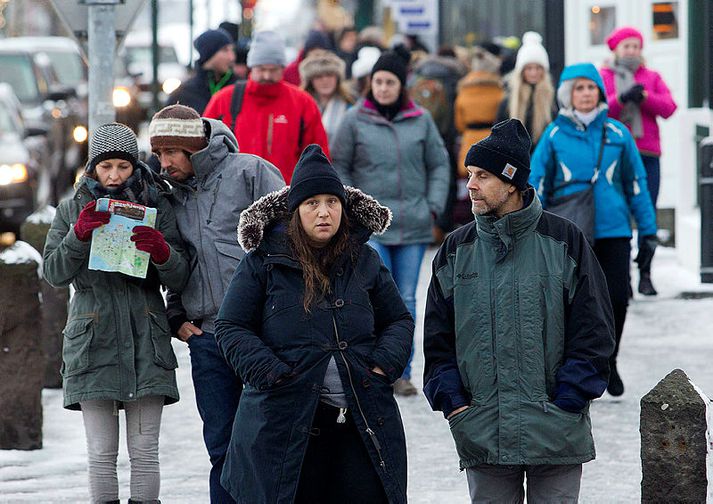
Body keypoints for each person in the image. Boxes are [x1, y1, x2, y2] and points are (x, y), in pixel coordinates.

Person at [423, 119, 615, 503]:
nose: (470, 185)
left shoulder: (564, 240)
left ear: (511, 181)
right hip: (481, 429)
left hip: (556, 428)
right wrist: (456, 404)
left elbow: (595, 332)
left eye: (482, 176)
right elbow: (437, 340)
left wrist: (568, 400)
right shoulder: (456, 249)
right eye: (470, 174)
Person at [215, 144, 413, 503]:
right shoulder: (263, 261)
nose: (324, 212)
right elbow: (230, 326)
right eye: (312, 203)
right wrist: (271, 373)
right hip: (284, 422)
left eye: (332, 202)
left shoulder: (365, 259)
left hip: (362, 418)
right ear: (296, 211)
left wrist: (384, 364)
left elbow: (398, 318)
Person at [42, 123, 189, 504]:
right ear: (92, 168)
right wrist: (79, 235)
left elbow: (181, 275)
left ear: (135, 167)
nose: (114, 176)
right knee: (101, 455)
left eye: (123, 167)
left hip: (146, 336)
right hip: (94, 342)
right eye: (106, 167)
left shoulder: (157, 203)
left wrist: (162, 252)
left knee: (144, 453)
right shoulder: (71, 208)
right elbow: (54, 273)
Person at [148, 104, 285, 503]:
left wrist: (281, 316)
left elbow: (292, 244)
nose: (164, 163)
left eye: (170, 152)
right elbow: (179, 260)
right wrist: (176, 315)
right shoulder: (172, 196)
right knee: (222, 447)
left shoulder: (251, 172)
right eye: (158, 155)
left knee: (269, 443)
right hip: (207, 338)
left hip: (262, 335)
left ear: (193, 147)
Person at [530, 63, 658, 397]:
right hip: (570, 233)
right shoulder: (555, 135)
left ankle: (608, 360)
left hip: (614, 230)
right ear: (567, 94)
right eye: (579, 88)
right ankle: (577, 365)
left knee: (616, 299)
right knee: (571, 302)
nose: (587, 94)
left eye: (592, 88)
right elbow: (536, 183)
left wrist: (648, 230)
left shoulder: (617, 133)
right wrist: (532, 225)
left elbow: (636, 183)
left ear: (600, 92)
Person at [332, 48, 450, 396]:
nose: (383, 87)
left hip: (413, 222)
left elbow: (439, 164)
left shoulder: (421, 120)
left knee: (407, 299)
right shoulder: (355, 120)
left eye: (390, 82)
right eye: (379, 81)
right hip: (372, 225)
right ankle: (372, 365)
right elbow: (339, 165)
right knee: (372, 297)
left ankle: (402, 370)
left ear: (402, 86)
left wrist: (432, 206)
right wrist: (353, 208)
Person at [600, 26, 677, 296]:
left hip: (647, 154)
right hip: (615, 155)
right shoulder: (604, 76)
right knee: (619, 212)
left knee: (647, 212)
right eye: (626, 46)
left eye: (635, 46)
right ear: (616, 49)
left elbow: (669, 108)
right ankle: (623, 276)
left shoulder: (652, 77)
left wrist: (645, 97)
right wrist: (622, 98)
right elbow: (599, 108)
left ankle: (646, 272)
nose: (631, 51)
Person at [204, 30, 330, 183]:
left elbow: (318, 156)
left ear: (283, 68)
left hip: (286, 196)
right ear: (251, 67)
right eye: (261, 69)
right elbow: (205, 148)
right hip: (234, 197)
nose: (267, 76)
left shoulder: (303, 103)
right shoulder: (224, 100)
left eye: (273, 70)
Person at [453, 43, 504, 226]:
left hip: (469, 138)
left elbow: (458, 122)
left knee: (469, 182)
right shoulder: (499, 89)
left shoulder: (464, 89)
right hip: (492, 138)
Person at [496, 31, 556, 150]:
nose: (533, 73)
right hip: (515, 159)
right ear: (521, 71)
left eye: (538, 68)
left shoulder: (553, 99)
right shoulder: (509, 101)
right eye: (529, 68)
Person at [166, 28, 236, 114]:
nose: (232, 57)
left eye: (232, 50)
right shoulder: (183, 94)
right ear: (209, 53)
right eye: (225, 50)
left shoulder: (239, 89)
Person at [299, 49, 354, 151]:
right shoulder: (301, 106)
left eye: (329, 75)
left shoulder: (350, 104)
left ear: (337, 78)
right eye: (319, 76)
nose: (325, 80)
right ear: (310, 81)